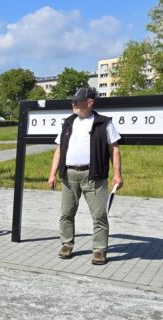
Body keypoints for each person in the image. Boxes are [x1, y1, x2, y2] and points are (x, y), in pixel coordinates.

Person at [47, 87, 123, 266]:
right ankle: (66, 244)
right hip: (69, 175)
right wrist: (52, 174)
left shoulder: (103, 123)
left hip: (94, 176)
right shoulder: (68, 122)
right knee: (66, 213)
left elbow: (114, 149)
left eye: (77, 101)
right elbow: (59, 150)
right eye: (72, 101)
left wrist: (117, 174)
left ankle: (99, 250)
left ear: (89, 102)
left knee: (99, 215)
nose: (73, 104)